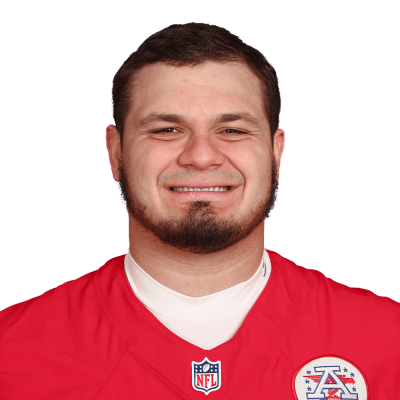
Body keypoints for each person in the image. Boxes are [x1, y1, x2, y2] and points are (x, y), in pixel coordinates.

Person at [0, 22, 399, 400]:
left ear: (276, 152)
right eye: (166, 130)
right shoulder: (12, 352)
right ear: (115, 151)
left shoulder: (387, 342)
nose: (202, 156)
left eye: (233, 130)